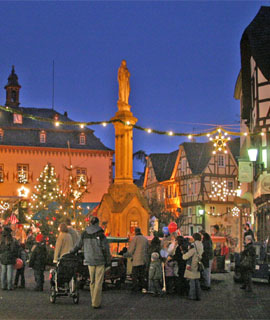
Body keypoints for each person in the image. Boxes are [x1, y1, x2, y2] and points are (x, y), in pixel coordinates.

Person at [70, 217, 111, 309]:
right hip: (100, 260)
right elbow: (105, 249)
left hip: (89, 259)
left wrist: (71, 251)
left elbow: (78, 245)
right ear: (97, 223)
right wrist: (108, 260)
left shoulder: (84, 233)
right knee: (98, 282)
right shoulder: (101, 234)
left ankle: (93, 300)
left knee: (92, 281)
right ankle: (96, 303)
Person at [125, 227, 149, 293]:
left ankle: (135, 287)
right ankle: (142, 287)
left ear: (135, 232)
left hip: (136, 260)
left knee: (134, 274)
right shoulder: (145, 239)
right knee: (142, 274)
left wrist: (125, 254)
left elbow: (131, 250)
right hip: (143, 259)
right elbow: (147, 250)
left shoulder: (135, 239)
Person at [182, 233, 204, 301]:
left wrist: (183, 254)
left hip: (192, 264)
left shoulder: (193, 245)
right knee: (197, 280)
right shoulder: (201, 244)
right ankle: (198, 295)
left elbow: (187, 255)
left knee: (192, 281)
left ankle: (192, 295)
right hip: (198, 263)